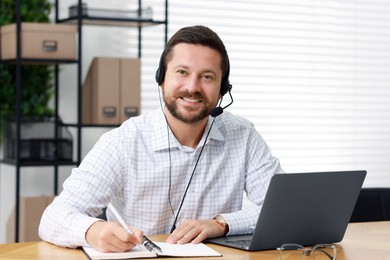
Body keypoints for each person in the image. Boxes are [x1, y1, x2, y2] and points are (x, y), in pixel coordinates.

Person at [39, 25, 283, 253]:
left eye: (207, 77)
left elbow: (286, 209)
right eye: (182, 72)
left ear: (223, 89)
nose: (192, 87)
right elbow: (54, 217)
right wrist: (93, 230)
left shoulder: (243, 134)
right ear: (161, 78)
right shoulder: (123, 141)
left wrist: (222, 223)